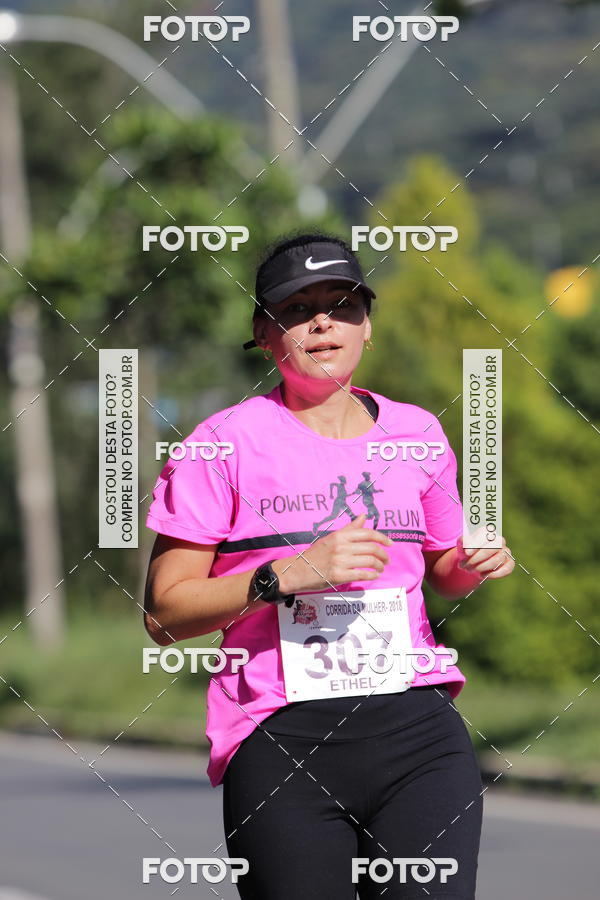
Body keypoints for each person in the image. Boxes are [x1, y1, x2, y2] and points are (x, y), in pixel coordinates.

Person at [143, 231, 514, 900]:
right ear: (264, 332)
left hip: (419, 733)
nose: (323, 322)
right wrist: (284, 576)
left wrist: (475, 561)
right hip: (282, 740)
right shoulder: (220, 445)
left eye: (342, 305)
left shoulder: (417, 433)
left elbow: (444, 573)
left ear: (366, 325)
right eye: (297, 308)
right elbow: (163, 616)